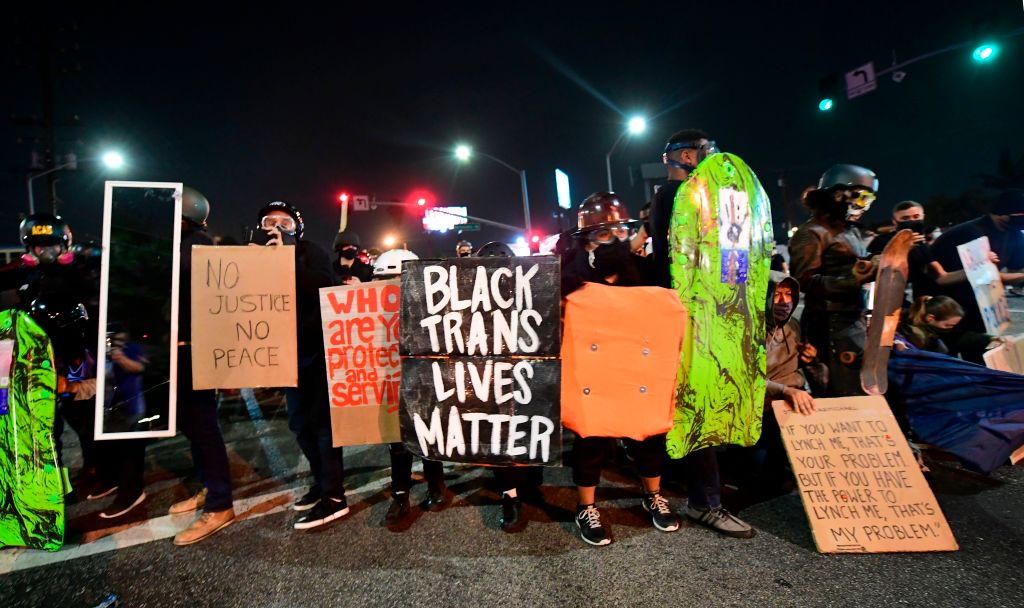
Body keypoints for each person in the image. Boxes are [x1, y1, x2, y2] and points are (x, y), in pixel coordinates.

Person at [648, 129, 758, 539]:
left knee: (715, 398)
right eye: (695, 152)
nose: (703, 158)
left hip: (717, 312)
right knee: (698, 401)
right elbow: (676, 258)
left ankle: (700, 486)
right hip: (687, 314)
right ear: (676, 157)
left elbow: (736, 259)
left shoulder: (712, 197)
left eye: (704, 151)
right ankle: (704, 501)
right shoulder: (673, 196)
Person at [563, 192, 681, 546]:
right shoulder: (568, 275)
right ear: (586, 238)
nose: (614, 239)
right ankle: (586, 506)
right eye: (604, 233)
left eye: (619, 231)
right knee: (590, 439)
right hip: (591, 375)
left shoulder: (644, 271)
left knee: (647, 434)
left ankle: (652, 494)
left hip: (636, 372)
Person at [254, 201, 349, 530]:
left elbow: (323, 286)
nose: (278, 226)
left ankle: (334, 496)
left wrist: (289, 256)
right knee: (298, 424)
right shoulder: (253, 256)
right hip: (285, 355)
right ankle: (321, 481)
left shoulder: (311, 251)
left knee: (324, 426)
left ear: (298, 226)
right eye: (270, 221)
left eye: (286, 221)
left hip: (317, 352)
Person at [170, 187, 236, 545]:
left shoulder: (197, 245)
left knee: (203, 425)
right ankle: (209, 486)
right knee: (193, 428)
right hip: (175, 349)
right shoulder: (181, 244)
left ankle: (220, 502)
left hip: (193, 351)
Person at [371, 248, 450, 528]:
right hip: (389, 378)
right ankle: (401, 494)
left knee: (430, 430)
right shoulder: (369, 310)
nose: (392, 287)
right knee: (397, 441)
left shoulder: (432, 303)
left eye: (398, 278)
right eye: (385, 280)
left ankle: (436, 485)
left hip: (423, 377)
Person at [789, 164, 880, 396]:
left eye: (868, 199)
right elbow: (803, 281)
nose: (863, 206)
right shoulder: (811, 232)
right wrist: (853, 279)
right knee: (846, 389)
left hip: (854, 318)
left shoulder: (849, 230)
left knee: (864, 384)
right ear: (836, 194)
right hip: (831, 324)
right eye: (859, 197)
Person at [931, 189, 1024, 339]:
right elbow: (984, 275)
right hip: (946, 300)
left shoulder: (1014, 233)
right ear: (1002, 214)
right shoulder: (972, 233)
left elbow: (1017, 266)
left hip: (978, 299)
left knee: (982, 345)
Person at [896, 296, 968, 355]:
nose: (951, 328)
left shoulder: (914, 318)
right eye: (947, 325)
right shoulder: (918, 337)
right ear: (930, 318)